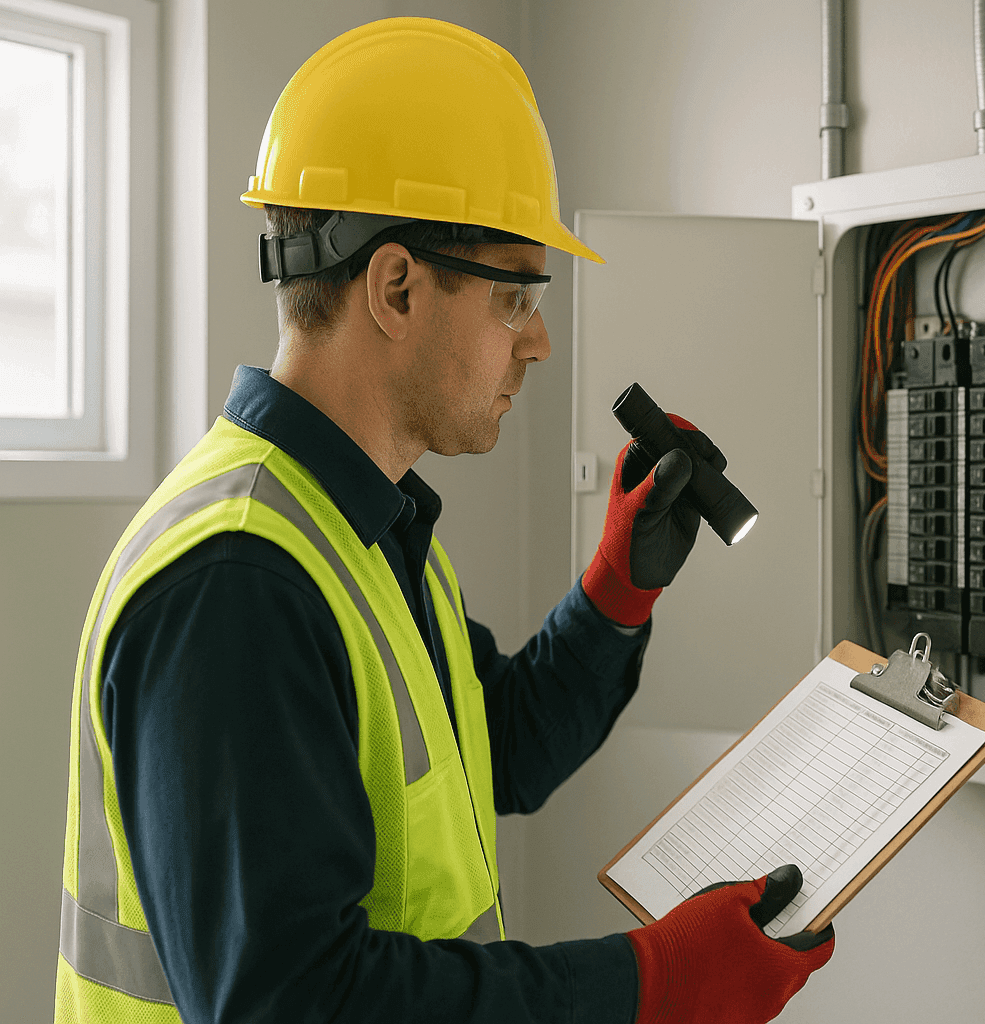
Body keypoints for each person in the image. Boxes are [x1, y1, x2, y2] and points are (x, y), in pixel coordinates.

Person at [53, 17, 832, 1024]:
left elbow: (495, 745)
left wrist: (615, 593)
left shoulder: (358, 530)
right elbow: (292, 1004)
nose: (537, 341)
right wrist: (652, 982)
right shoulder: (238, 583)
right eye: (515, 299)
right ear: (397, 288)